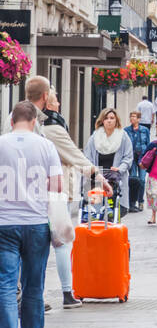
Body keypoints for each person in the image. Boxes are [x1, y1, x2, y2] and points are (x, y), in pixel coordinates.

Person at [26, 77, 109, 308]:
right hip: (52, 194)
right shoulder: (50, 128)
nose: (59, 103)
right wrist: (99, 177)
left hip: (28, 194)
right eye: (55, 98)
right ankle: (63, 293)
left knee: (33, 246)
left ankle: (33, 296)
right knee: (61, 242)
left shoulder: (20, 120)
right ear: (46, 100)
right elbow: (76, 156)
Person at [0, 101, 63, 328]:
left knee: (5, 285)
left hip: (4, 223)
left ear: (12, 120)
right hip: (37, 223)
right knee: (33, 285)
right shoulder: (46, 146)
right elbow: (57, 187)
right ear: (35, 121)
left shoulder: (1, 143)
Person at [125, 111, 151, 214]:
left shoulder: (144, 130)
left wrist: (148, 157)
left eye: (134, 117)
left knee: (142, 180)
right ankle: (132, 202)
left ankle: (141, 201)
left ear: (139, 119)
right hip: (132, 157)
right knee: (133, 179)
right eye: (131, 117)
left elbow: (148, 144)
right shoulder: (126, 130)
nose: (132, 119)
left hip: (142, 157)